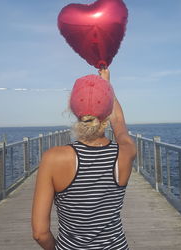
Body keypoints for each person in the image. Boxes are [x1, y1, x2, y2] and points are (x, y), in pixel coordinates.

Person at [31, 69, 137, 250]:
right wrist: (107, 85)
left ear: (74, 110)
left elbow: (40, 233)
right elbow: (118, 123)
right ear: (108, 111)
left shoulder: (53, 158)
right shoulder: (125, 152)